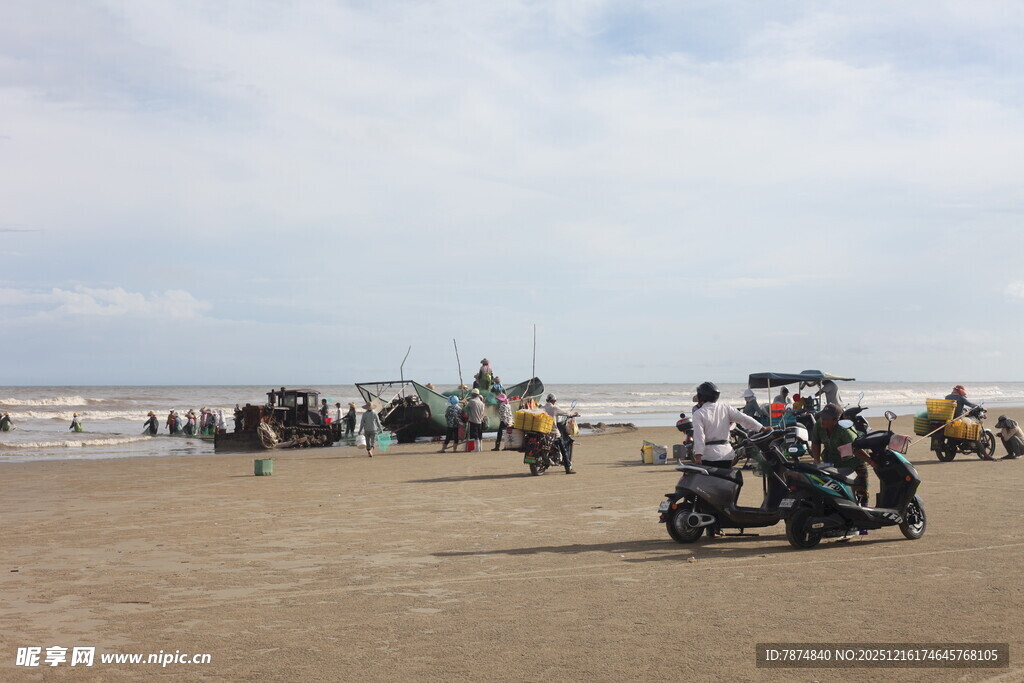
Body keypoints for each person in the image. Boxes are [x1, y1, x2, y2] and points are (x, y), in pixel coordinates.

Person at [810, 403, 875, 508]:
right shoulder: (819, 425)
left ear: (835, 420)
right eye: (822, 416)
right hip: (831, 460)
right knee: (831, 488)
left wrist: (870, 461)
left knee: (861, 490)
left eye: (826, 418)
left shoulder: (845, 430)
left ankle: (864, 509)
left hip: (853, 461)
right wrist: (816, 460)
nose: (823, 420)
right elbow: (815, 442)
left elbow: (856, 449)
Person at [692, 382, 768, 469]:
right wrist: (762, 428)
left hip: (709, 456)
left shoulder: (698, 414)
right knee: (725, 481)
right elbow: (744, 419)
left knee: (710, 482)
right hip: (726, 455)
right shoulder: (725, 408)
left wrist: (698, 455)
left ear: (701, 396)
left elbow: (699, 436)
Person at [542, 394, 580, 474]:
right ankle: (568, 468)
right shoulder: (554, 408)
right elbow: (566, 413)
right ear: (554, 401)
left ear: (546, 400)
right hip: (553, 432)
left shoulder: (542, 408)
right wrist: (574, 414)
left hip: (544, 432)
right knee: (563, 448)